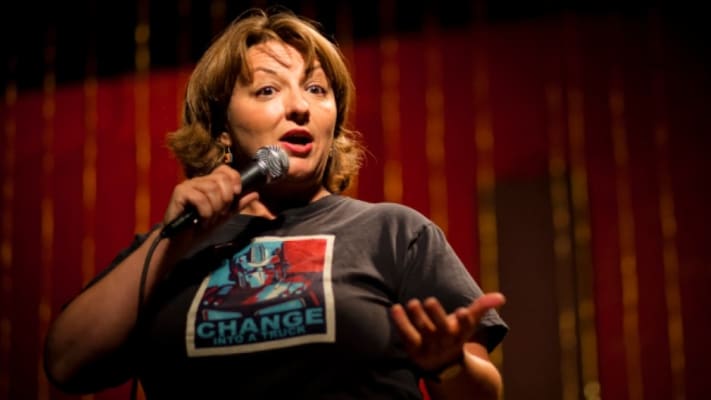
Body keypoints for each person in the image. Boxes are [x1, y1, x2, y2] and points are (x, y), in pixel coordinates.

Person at [43, 7, 508, 399]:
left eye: (316, 89)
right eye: (268, 90)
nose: (300, 106)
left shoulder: (394, 232)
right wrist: (172, 241)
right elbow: (66, 364)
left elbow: (484, 393)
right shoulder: (172, 250)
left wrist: (447, 364)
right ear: (222, 129)